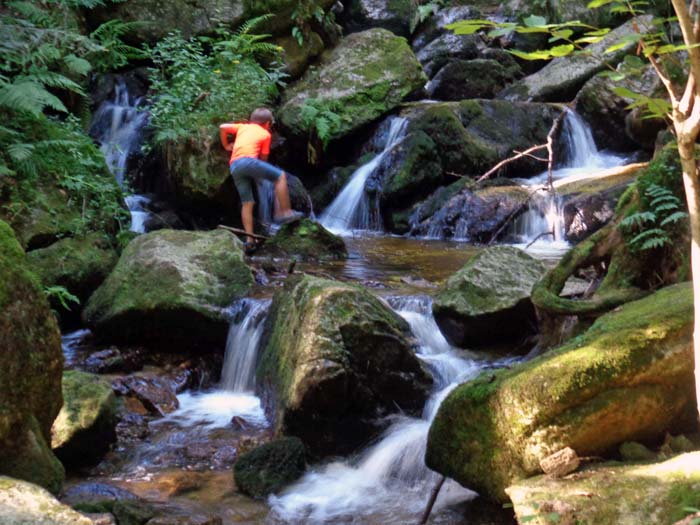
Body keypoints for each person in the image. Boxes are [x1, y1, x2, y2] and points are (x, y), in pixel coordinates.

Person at [219, 107, 302, 250]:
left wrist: (227, 145)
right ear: (268, 123)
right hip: (249, 162)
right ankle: (283, 212)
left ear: (251, 120)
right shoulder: (265, 134)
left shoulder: (242, 127)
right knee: (280, 176)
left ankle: (249, 240)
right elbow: (263, 159)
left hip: (234, 166)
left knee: (248, 203)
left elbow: (222, 127)